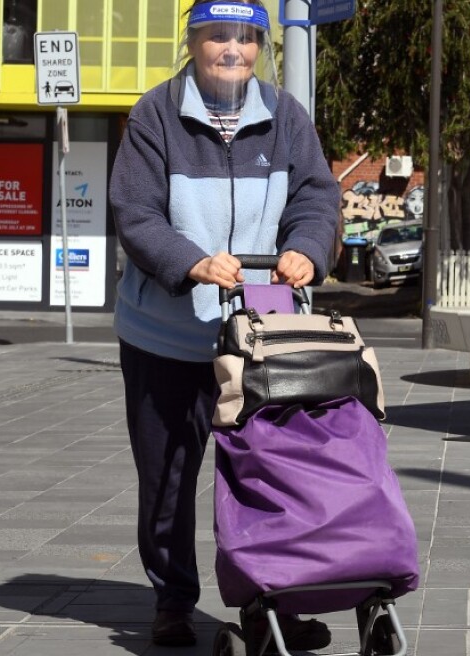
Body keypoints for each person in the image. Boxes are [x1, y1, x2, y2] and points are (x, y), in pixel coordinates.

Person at [108, 0, 339, 648]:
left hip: (261, 332)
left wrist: (307, 247)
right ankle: (173, 600)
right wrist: (192, 262)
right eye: (216, 38)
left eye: (245, 40)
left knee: (268, 471)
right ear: (194, 44)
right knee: (168, 476)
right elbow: (135, 211)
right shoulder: (156, 114)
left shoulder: (286, 117)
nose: (231, 50)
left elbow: (317, 197)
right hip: (166, 333)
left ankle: (269, 602)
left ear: (261, 49)